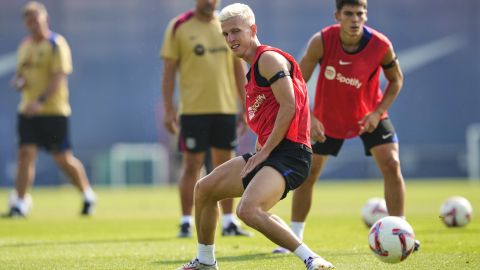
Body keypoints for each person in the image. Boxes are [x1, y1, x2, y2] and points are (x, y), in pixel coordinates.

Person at [176, 3, 335, 270]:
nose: (230, 39)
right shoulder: (251, 69)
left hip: (291, 154)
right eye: (225, 34)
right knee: (204, 189)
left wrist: (263, 152)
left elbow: (290, 104)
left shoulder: (268, 59)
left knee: (247, 210)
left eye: (236, 32)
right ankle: (205, 261)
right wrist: (262, 151)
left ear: (253, 29)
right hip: (272, 154)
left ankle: (312, 259)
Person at [273, 0, 419, 254]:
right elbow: (296, 83)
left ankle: (402, 231)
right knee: (309, 174)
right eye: (348, 14)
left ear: (365, 16)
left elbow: (396, 80)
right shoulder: (321, 41)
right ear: (337, 16)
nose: (354, 19)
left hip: (369, 116)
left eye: (359, 14)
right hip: (326, 119)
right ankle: (294, 238)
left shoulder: (381, 45)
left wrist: (376, 112)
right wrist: (309, 117)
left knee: (392, 163)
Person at [160, 0, 251, 238]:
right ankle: (186, 221)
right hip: (192, 111)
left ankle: (229, 222)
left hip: (224, 110)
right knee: (192, 165)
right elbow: (169, 69)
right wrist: (169, 108)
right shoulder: (179, 26)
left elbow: (237, 68)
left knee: (226, 168)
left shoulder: (227, 26)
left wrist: (245, 105)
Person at [5, 1, 96, 217]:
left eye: (36, 20)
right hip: (27, 111)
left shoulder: (56, 44)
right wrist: (19, 83)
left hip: (53, 111)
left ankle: (87, 194)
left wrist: (41, 101)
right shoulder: (25, 46)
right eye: (29, 22)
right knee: (25, 154)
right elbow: (22, 75)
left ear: (45, 19)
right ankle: (20, 203)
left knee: (62, 158)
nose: (33, 25)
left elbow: (59, 77)